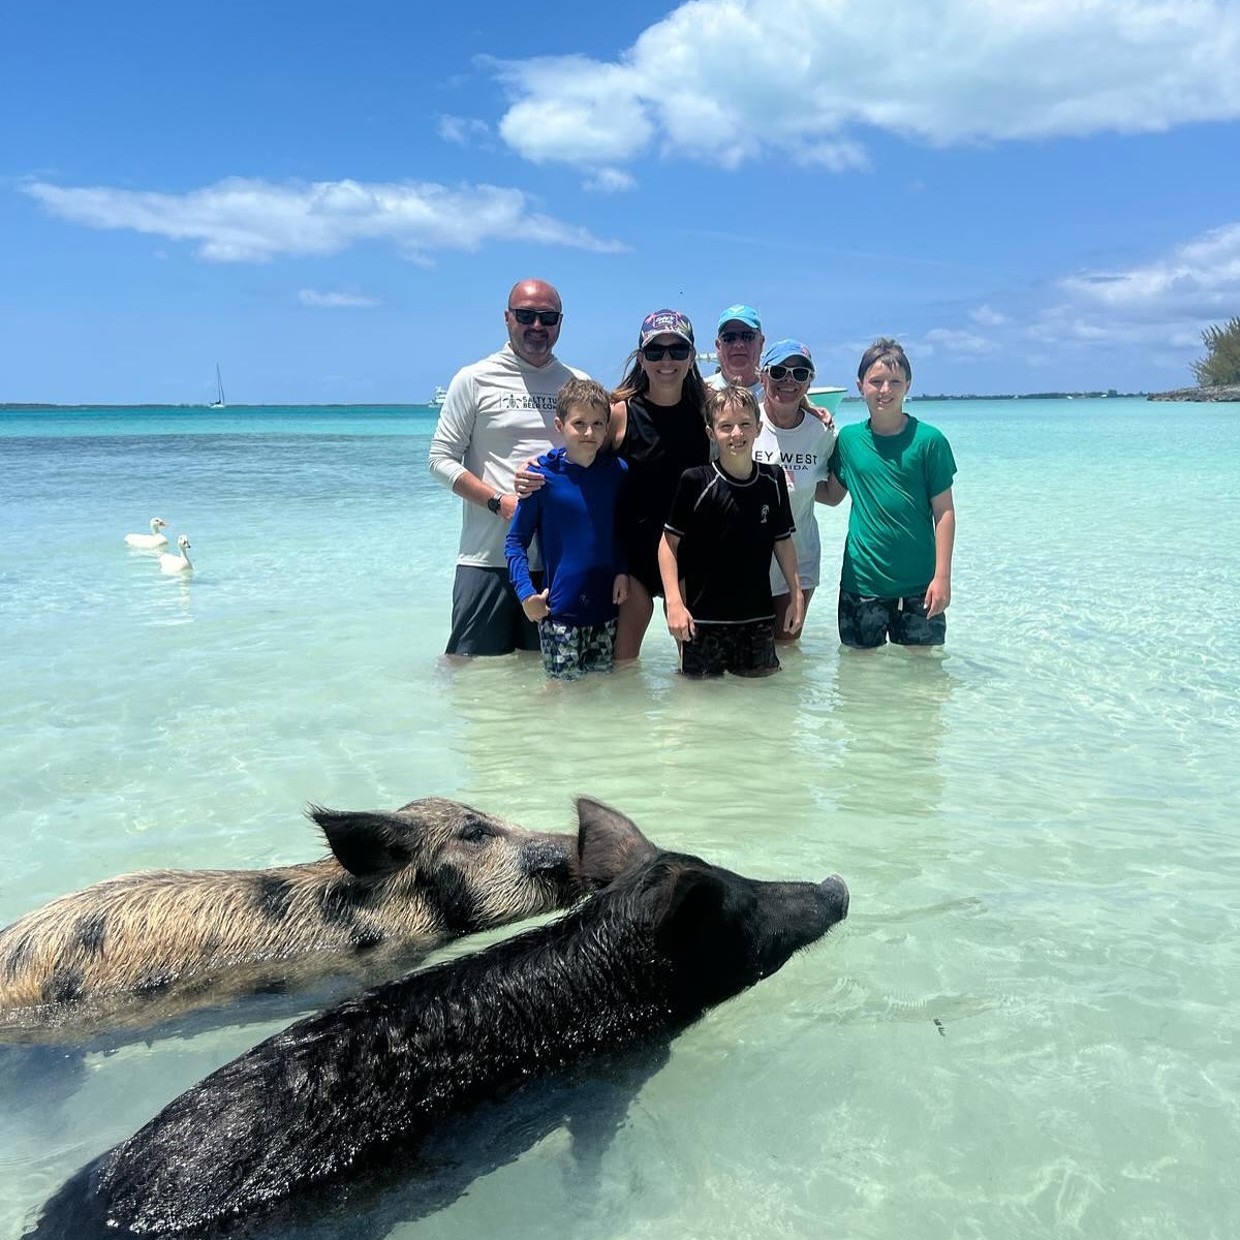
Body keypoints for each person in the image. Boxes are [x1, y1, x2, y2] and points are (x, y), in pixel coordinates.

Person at [428, 279, 586, 658]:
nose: (537, 326)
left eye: (547, 317)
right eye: (526, 315)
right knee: (471, 673)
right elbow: (440, 460)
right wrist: (499, 502)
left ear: (560, 322)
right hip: (486, 559)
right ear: (507, 318)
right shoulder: (473, 379)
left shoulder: (578, 383)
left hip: (557, 562)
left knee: (549, 674)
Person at [659, 384, 803, 677]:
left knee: (759, 699)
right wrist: (674, 602)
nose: (736, 433)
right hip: (704, 622)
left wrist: (796, 594)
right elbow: (668, 544)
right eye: (726, 426)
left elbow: (783, 541)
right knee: (698, 699)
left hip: (758, 620)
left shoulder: (772, 479)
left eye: (745, 424)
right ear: (711, 433)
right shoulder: (696, 481)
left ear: (758, 428)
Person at [823, 338, 957, 649]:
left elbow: (945, 513)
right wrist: (780, 480)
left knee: (923, 672)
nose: (885, 390)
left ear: (908, 385)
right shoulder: (849, 440)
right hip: (861, 582)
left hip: (920, 584)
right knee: (858, 671)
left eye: (895, 381)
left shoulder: (930, 441)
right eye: (876, 381)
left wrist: (942, 578)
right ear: (860, 386)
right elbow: (831, 494)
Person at [504, 379, 629, 681]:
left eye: (598, 424)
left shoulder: (617, 472)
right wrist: (526, 594)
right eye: (579, 423)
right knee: (562, 696)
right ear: (560, 426)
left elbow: (619, 529)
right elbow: (515, 542)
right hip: (560, 613)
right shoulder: (540, 477)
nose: (589, 432)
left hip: (607, 610)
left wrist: (622, 570)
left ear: (607, 428)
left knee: (603, 692)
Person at [753, 339, 838, 640]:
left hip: (800, 558)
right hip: (747, 562)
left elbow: (829, 494)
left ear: (809, 382)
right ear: (763, 377)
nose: (788, 380)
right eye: (779, 372)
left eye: (799, 374)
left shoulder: (822, 431)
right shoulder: (746, 423)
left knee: (788, 655)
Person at [707, 305, 765, 398]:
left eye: (748, 337)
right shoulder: (700, 394)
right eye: (729, 338)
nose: (738, 344)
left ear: (761, 344)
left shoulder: (777, 395)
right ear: (718, 346)